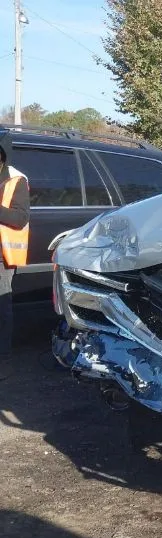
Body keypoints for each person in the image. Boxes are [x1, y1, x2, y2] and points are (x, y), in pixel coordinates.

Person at [0, 128, 31, 365]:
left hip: (1, 257)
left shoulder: (15, 180)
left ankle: (3, 354)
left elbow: (20, 218)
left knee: (1, 306)